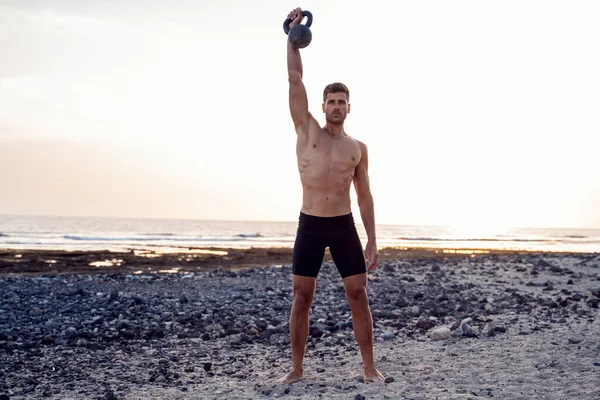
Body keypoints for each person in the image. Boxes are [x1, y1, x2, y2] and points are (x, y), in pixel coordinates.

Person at [278, 7, 385, 384]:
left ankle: (370, 369)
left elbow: (365, 196)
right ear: (323, 107)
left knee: (358, 293)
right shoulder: (306, 130)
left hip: (343, 226)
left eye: (342, 101)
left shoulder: (357, 148)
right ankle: (295, 370)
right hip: (310, 224)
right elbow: (294, 78)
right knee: (301, 296)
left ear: (348, 107)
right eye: (331, 101)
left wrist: (372, 238)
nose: (336, 106)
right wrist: (292, 37)